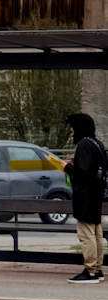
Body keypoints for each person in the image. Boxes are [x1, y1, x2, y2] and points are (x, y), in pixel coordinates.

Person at [63, 113, 106, 284]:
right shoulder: (97, 144)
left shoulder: (84, 145)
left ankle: (90, 271)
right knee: (96, 233)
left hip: (86, 197)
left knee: (86, 235)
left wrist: (68, 168)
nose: (72, 131)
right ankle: (98, 269)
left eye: (73, 127)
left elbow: (83, 175)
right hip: (96, 196)